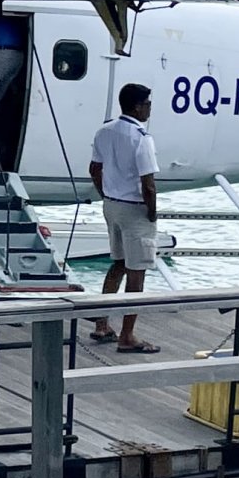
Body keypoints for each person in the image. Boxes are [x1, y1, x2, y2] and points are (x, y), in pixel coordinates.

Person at [89, 83, 160, 352]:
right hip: (133, 208)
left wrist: (105, 192)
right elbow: (148, 184)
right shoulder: (141, 138)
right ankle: (128, 335)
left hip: (111, 204)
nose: (149, 109)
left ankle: (101, 323)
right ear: (136, 107)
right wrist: (151, 213)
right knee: (136, 272)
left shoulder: (104, 131)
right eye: (147, 104)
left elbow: (95, 168)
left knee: (117, 263)